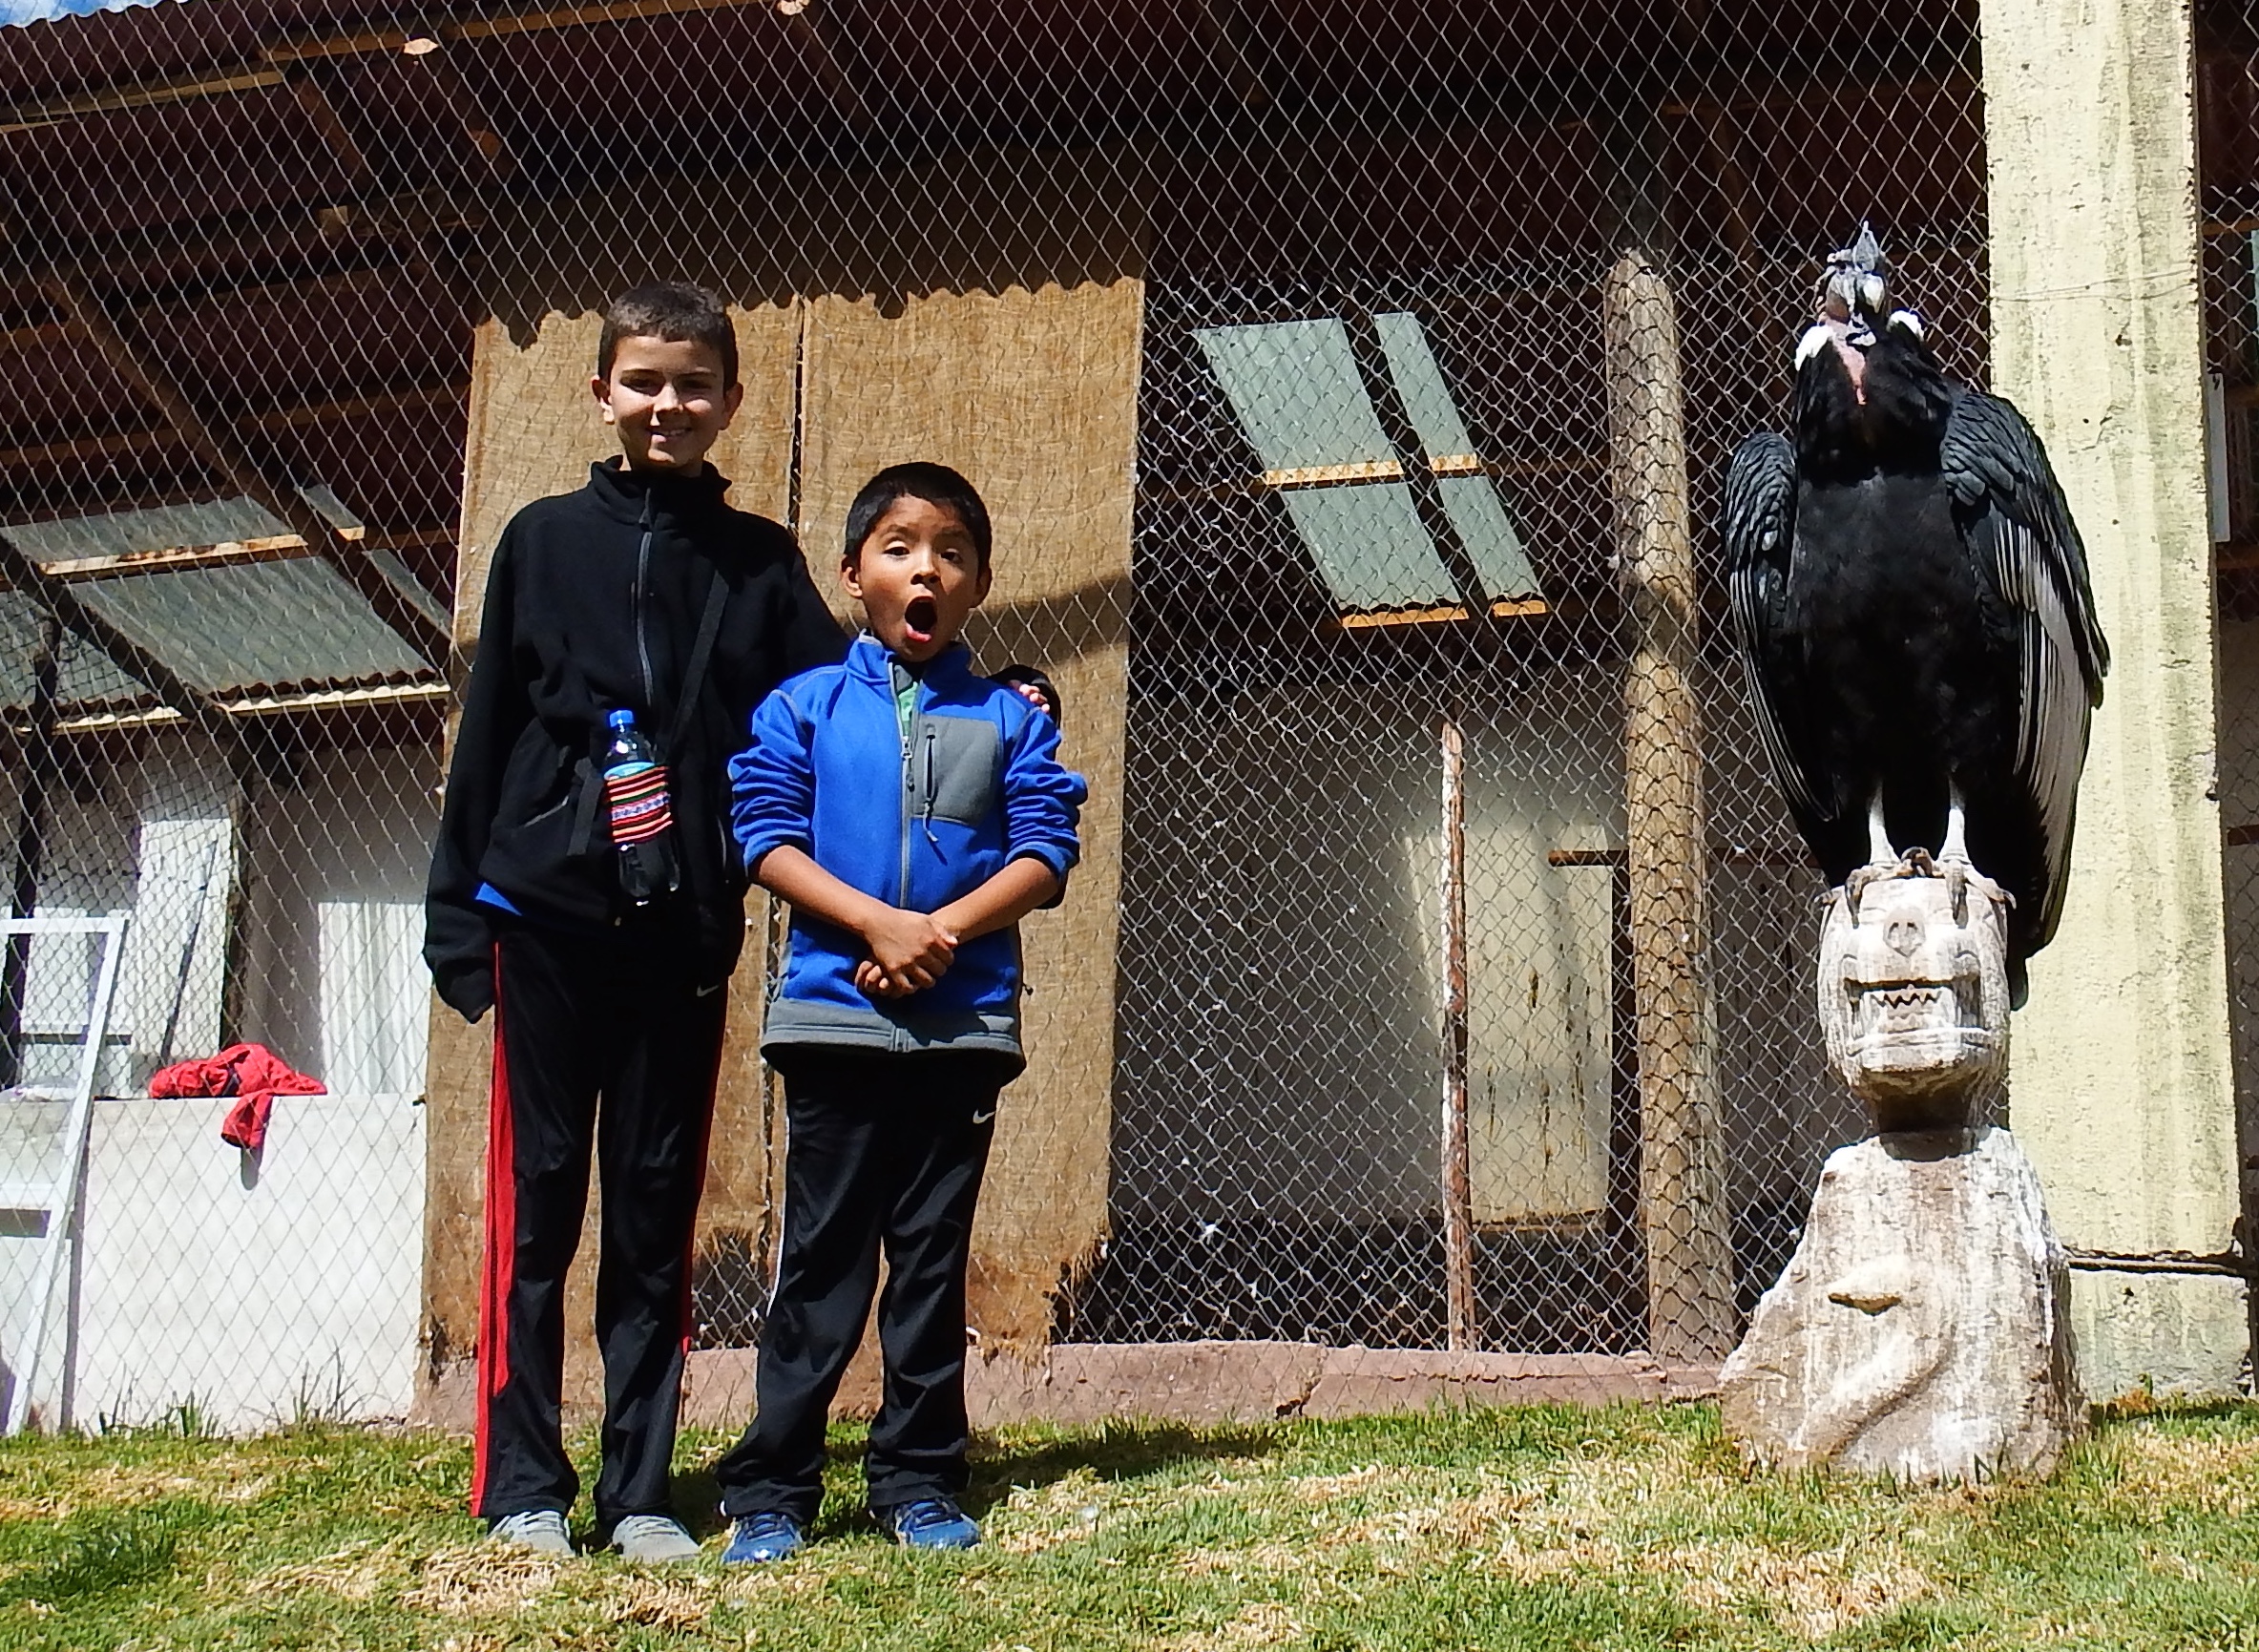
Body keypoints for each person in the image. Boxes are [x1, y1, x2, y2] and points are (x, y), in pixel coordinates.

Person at [423, 282, 851, 1562]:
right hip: (544, 919)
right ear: (601, 391)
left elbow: (831, 714)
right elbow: (489, 730)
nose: (668, 404)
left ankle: (640, 1491)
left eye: (693, 384)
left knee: (655, 1210)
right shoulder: (540, 541)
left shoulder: (761, 564)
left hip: (683, 930)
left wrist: (986, 702)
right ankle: (522, 1484)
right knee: (539, 1204)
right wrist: (459, 915)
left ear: (730, 400)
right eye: (645, 381)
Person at [711, 462, 1086, 1561]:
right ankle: (774, 1487)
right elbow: (763, 836)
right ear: (852, 574)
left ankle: (918, 1479)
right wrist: (875, 925)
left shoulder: (1010, 720)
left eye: (953, 553)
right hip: (831, 1022)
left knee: (929, 1261)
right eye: (900, 547)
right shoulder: (803, 709)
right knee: (821, 1262)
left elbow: (1044, 851)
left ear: (979, 586)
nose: (927, 569)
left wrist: (939, 936)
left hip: (960, 1034)